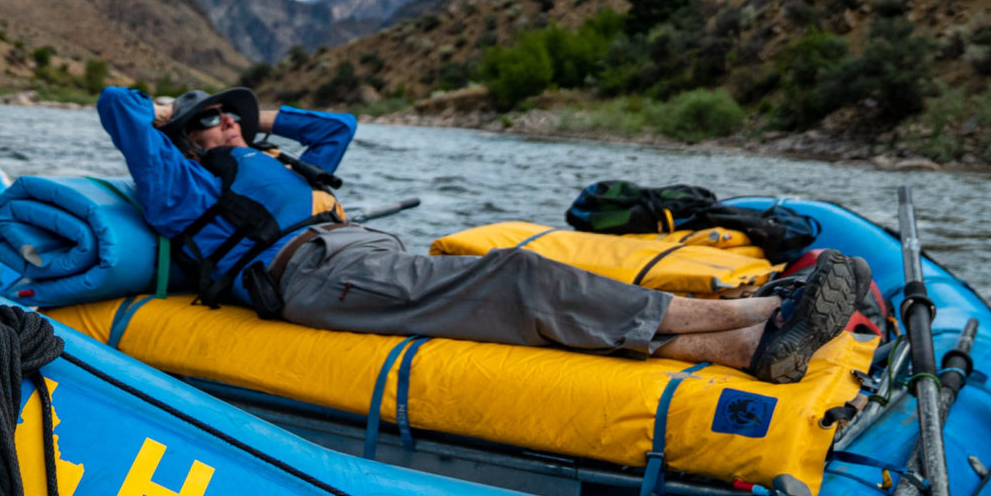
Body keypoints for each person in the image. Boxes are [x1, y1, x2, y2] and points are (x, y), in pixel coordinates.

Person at [95, 84, 860, 383]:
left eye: (230, 113)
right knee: (514, 277)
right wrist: (170, 118)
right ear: (183, 141)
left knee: (524, 305)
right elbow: (114, 104)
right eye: (209, 121)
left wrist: (242, 117)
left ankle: (743, 346)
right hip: (313, 275)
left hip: (364, 260)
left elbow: (337, 126)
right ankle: (752, 316)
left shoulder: (268, 159)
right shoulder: (184, 187)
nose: (225, 123)